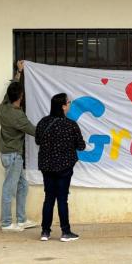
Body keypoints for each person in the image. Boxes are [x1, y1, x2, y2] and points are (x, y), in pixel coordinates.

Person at [35, 93, 86, 242]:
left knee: (49, 198)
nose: (70, 105)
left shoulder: (43, 122)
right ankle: (65, 232)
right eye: (68, 102)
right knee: (62, 199)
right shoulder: (71, 125)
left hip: (46, 167)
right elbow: (81, 146)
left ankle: (45, 232)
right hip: (64, 168)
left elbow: (38, 140)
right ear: (63, 106)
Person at [0, 60, 37, 232]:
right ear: (20, 98)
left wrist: (18, 72)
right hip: (14, 155)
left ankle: (21, 220)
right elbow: (34, 131)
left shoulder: (4, 106)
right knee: (9, 188)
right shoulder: (18, 117)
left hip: (9, 154)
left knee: (23, 186)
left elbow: (12, 88)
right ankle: (7, 223)